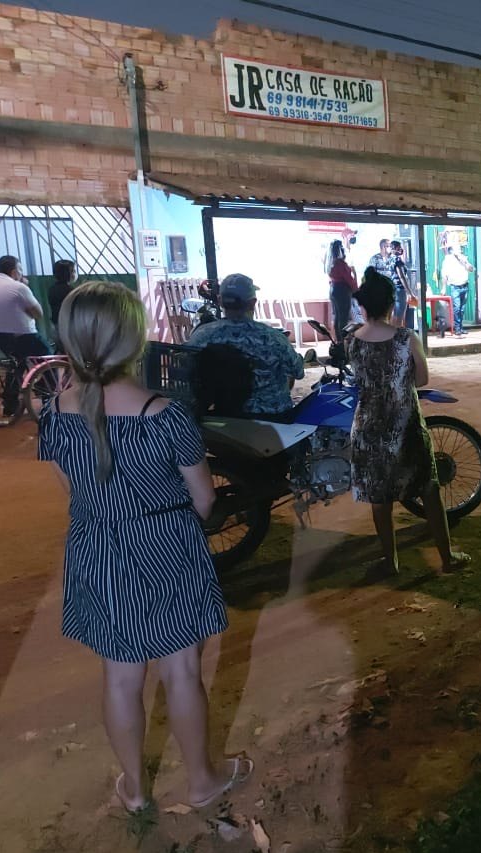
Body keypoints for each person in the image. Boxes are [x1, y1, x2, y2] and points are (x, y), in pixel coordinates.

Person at [39, 281, 249, 813]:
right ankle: (201, 782)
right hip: (167, 545)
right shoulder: (165, 414)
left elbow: (74, 493)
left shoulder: (53, 413)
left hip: (98, 552)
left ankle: (134, 789)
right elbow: (203, 499)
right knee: (181, 670)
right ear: (134, 340)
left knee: (120, 676)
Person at [346, 271, 470, 577]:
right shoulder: (406, 338)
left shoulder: (352, 342)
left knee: (379, 497)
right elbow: (422, 379)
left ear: (364, 306)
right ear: (390, 303)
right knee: (428, 489)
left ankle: (391, 562)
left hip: (367, 426)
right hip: (404, 425)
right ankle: (447, 558)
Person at [185, 273, 304, 418]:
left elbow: (188, 375)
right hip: (274, 421)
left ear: (220, 301)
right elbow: (298, 372)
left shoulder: (201, 336)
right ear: (253, 303)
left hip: (224, 418)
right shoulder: (274, 338)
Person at [0, 255, 52, 415]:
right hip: (25, 336)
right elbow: (38, 313)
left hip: (1, 337)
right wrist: (24, 290)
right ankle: (48, 396)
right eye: (20, 269)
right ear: (14, 271)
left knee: (16, 367)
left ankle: (10, 406)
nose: (21, 273)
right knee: (49, 361)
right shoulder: (19, 288)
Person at [441, 245, 475, 339]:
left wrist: (464, 262)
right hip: (455, 287)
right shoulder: (448, 260)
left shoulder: (464, 259)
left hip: (464, 285)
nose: (460, 251)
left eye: (460, 249)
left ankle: (460, 327)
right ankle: (457, 328)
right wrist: (443, 287)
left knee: (462, 309)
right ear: (452, 251)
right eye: (458, 249)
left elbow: (471, 269)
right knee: (457, 308)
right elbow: (444, 275)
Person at [326, 239, 357, 337]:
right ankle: (343, 341)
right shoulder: (340, 264)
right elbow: (349, 279)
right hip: (342, 291)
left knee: (337, 317)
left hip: (334, 290)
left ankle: (338, 339)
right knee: (344, 318)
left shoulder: (331, 263)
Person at [47, 259, 77, 334]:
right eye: (73, 271)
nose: (75, 273)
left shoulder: (52, 289)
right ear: (67, 274)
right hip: (70, 325)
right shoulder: (71, 291)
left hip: (56, 324)